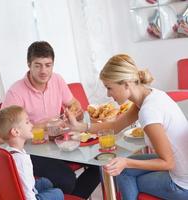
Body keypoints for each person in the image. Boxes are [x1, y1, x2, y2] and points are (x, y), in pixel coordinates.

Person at [67, 54, 188, 200]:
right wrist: (80, 126)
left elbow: (168, 162)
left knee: (128, 176)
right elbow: (115, 126)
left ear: (126, 83)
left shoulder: (148, 111)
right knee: (124, 171)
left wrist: (126, 162)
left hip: (181, 183)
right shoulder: (149, 95)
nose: (108, 94)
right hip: (181, 167)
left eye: (109, 88)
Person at [1, 41, 100, 198]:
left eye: (48, 65)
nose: (44, 71)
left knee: (100, 165)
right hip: (32, 150)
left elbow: (74, 103)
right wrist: (42, 126)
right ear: (29, 64)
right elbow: (5, 131)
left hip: (60, 142)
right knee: (67, 181)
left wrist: (74, 111)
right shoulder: (15, 91)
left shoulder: (57, 80)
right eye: (38, 65)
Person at [0, 105, 64, 200]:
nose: (31, 125)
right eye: (27, 122)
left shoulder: (8, 152)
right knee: (58, 193)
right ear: (16, 132)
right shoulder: (21, 161)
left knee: (45, 182)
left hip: (21, 191)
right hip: (27, 197)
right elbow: (26, 193)